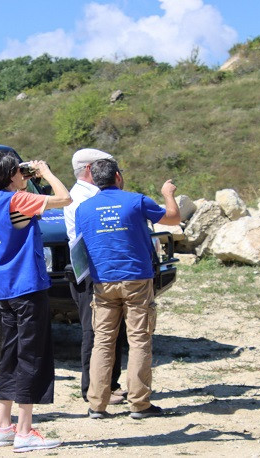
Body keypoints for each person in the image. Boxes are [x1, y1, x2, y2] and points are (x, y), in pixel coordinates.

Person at [75, 158, 180, 420]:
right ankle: (139, 403)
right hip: (136, 280)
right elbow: (173, 217)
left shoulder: (83, 209)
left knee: (102, 342)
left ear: (94, 180)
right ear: (118, 177)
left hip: (102, 282)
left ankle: (97, 404)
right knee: (139, 340)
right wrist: (168, 194)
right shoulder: (136, 200)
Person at [0, 151, 70, 452]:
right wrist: (44, 173)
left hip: (4, 287)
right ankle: (25, 431)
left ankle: (3, 426)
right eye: (17, 172)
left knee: (11, 354)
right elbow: (64, 198)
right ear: (9, 177)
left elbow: (13, 195)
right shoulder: (18, 200)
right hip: (27, 287)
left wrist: (24, 176)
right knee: (32, 356)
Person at [63, 148, 127, 406]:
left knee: (114, 330)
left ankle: (110, 383)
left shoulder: (93, 195)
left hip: (105, 269)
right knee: (95, 330)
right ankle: (93, 388)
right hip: (91, 271)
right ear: (89, 169)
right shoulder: (79, 198)